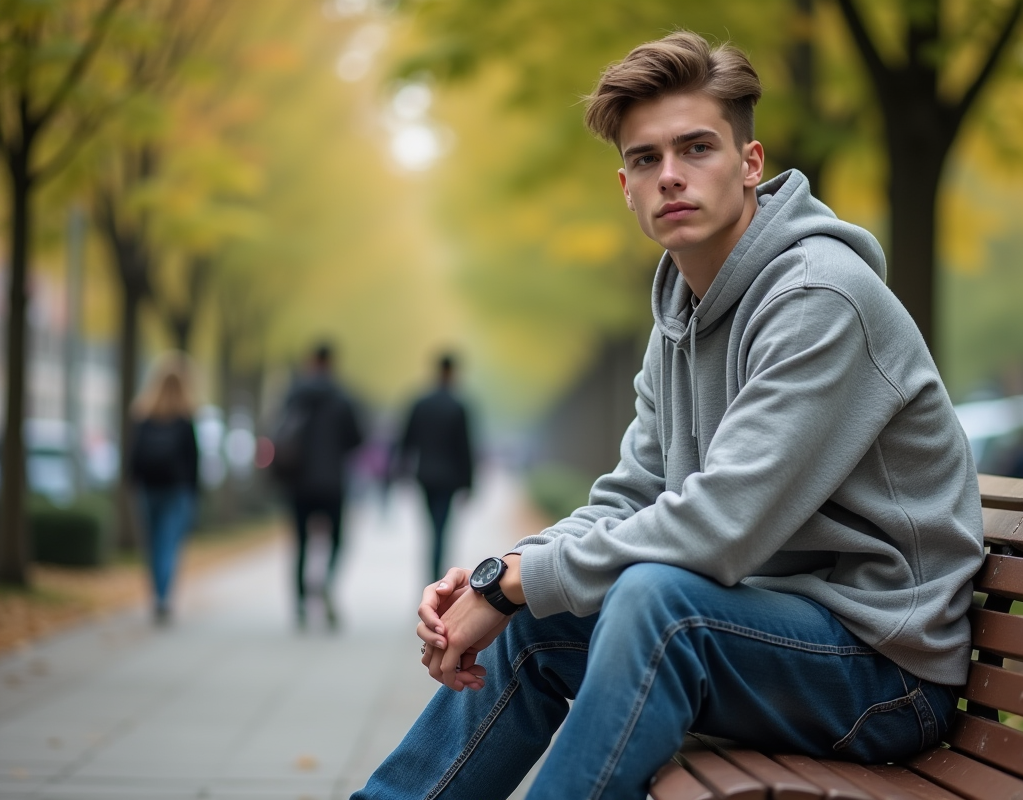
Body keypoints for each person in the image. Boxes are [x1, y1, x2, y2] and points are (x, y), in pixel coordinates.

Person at [353, 31, 983, 800]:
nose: (671, 175)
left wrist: (515, 582)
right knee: (541, 616)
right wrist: (499, 575)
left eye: (697, 148)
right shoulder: (681, 314)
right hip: (767, 634)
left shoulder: (818, 298)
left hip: (885, 673)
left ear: (750, 163)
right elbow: (630, 496)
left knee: (653, 600)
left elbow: (722, 527)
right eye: (647, 159)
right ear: (626, 186)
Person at [278, 342, 363, 628]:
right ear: (331, 362)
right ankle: (326, 581)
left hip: (298, 480)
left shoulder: (294, 394)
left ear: (311, 361)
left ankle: (300, 603)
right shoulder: (342, 397)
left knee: (301, 542)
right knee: (337, 540)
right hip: (331, 482)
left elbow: (278, 431)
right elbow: (356, 439)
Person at [129, 353, 200, 626]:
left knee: (152, 544)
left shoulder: (143, 415)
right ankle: (163, 598)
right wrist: (194, 493)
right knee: (168, 543)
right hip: (176, 490)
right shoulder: (185, 419)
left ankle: (156, 595)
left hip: (148, 488)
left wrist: (133, 482)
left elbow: (134, 456)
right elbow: (193, 461)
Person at [395, 353, 475, 585]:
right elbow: (465, 447)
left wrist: (401, 470)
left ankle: (432, 575)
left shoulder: (421, 403)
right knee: (441, 528)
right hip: (448, 478)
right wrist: (469, 482)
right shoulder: (458, 406)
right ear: (452, 373)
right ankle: (437, 576)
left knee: (431, 527)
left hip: (425, 475)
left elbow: (406, 440)